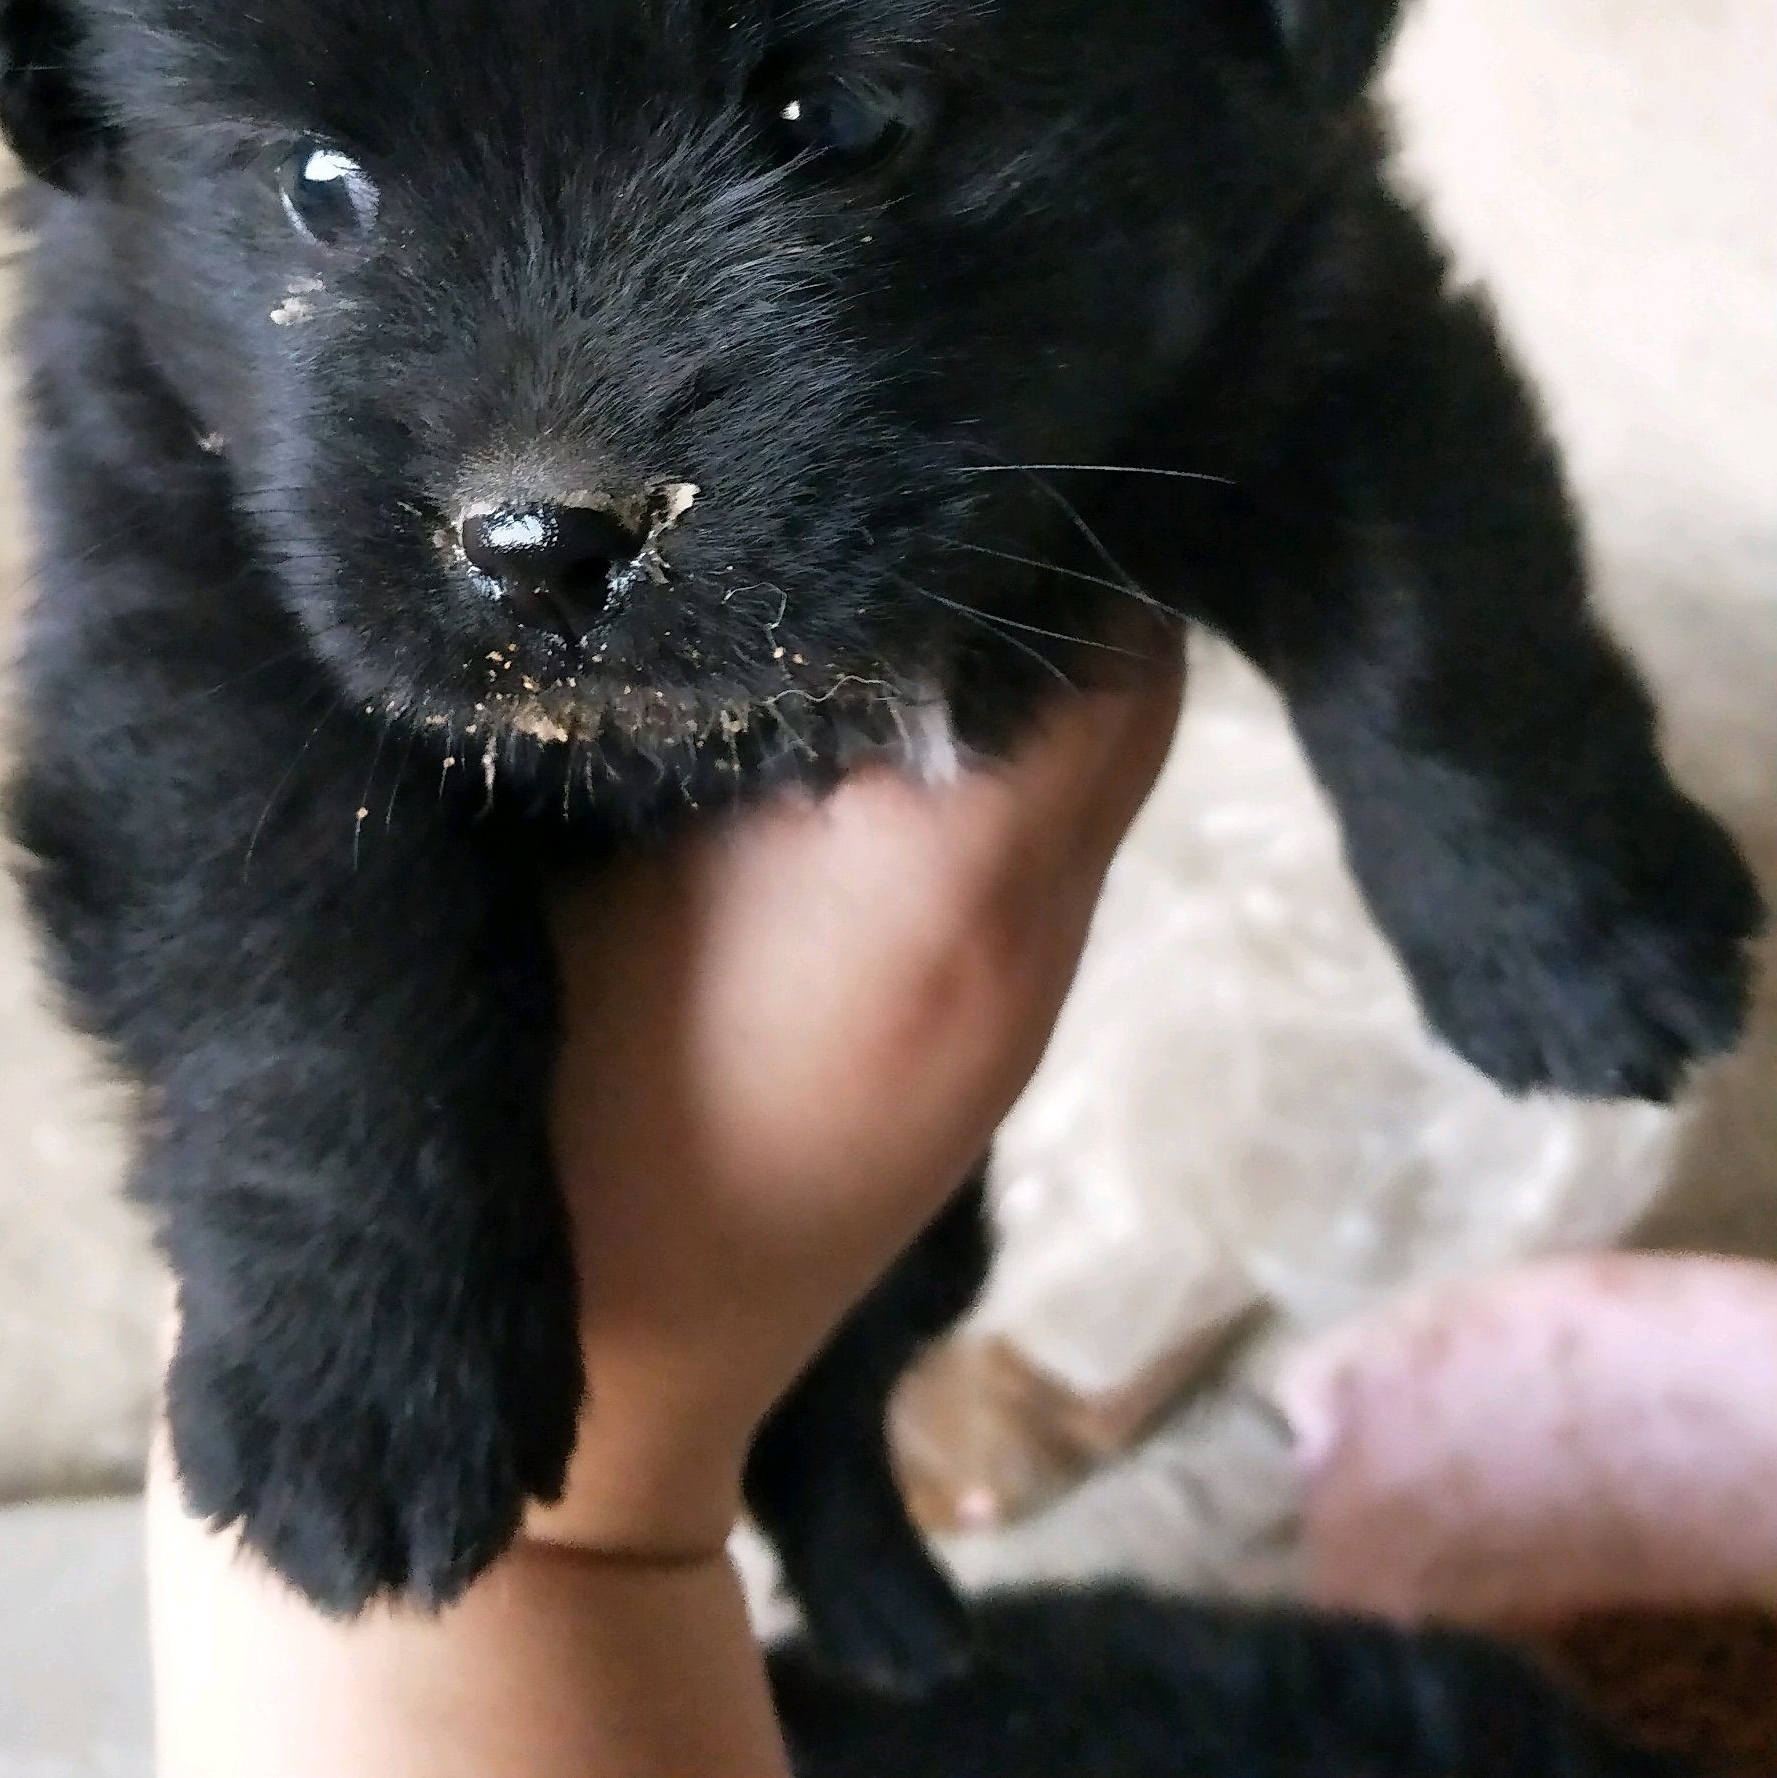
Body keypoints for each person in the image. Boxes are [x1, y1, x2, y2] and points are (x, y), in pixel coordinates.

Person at [148, 651, 1185, 1777]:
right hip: (479, 1060)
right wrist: (573, 1532)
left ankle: (829, 1475)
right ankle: (813, 1479)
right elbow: (162, 681)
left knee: (908, 1257)